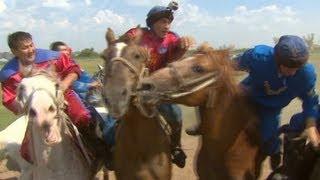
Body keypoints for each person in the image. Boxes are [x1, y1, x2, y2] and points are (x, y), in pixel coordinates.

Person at [0, 31, 95, 162]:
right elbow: (10, 99)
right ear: (14, 51)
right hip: (36, 108)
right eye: (25, 47)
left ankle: (96, 150)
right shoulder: (8, 73)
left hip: (63, 95)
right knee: (26, 151)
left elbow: (74, 70)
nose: (31, 50)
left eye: (31, 45)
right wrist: (28, 106)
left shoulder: (52, 57)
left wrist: (64, 84)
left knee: (82, 116)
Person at [123, 1, 194, 168]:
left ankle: (175, 146)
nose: (167, 25)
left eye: (169, 22)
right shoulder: (139, 33)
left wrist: (183, 46)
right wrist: (128, 40)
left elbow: (175, 56)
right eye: (163, 21)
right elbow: (127, 38)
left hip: (158, 88)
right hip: (134, 85)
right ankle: (107, 148)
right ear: (152, 23)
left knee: (176, 116)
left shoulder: (172, 39)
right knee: (114, 121)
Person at [234, 35, 319, 170]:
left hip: (271, 106)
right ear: (277, 60)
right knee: (220, 107)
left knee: (268, 136)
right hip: (246, 93)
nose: (292, 73)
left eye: (297, 68)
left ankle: (274, 150)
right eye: (288, 67)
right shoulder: (258, 57)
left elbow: (311, 100)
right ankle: (203, 126)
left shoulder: (306, 75)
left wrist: (311, 125)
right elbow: (230, 64)